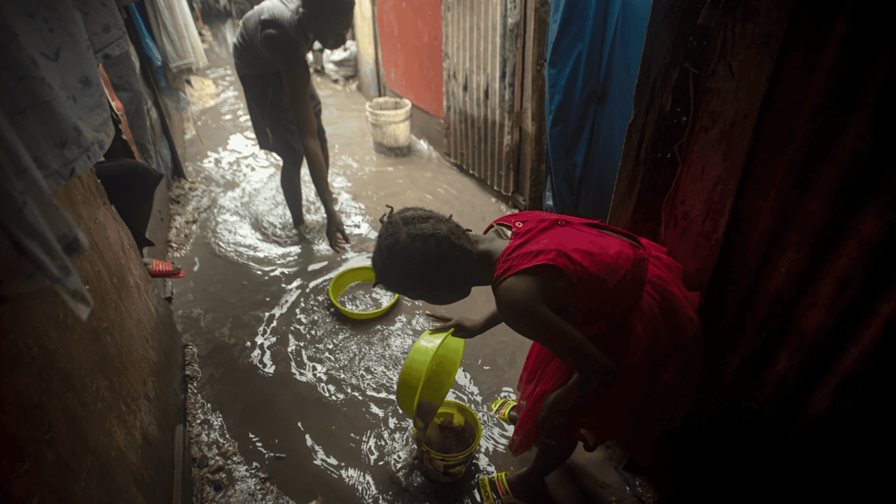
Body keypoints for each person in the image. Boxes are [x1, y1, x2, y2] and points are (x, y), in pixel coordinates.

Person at [372, 207, 701, 502]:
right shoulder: (500, 231)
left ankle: (530, 479)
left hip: (623, 314)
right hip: (619, 267)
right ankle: (537, 413)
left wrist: (557, 403)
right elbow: (530, 281)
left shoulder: (516, 300)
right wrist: (480, 324)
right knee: (550, 390)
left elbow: (599, 369)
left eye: (424, 295)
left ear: (443, 289)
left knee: (561, 422)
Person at [233, 0, 354, 252]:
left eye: (347, 27)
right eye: (339, 30)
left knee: (316, 117)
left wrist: (328, 205)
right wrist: (331, 215)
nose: (344, 38)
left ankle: (325, 195)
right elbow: (305, 136)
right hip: (258, 67)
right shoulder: (280, 35)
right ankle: (299, 224)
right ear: (314, 20)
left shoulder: (308, 20)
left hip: (287, 54)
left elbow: (314, 133)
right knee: (293, 151)